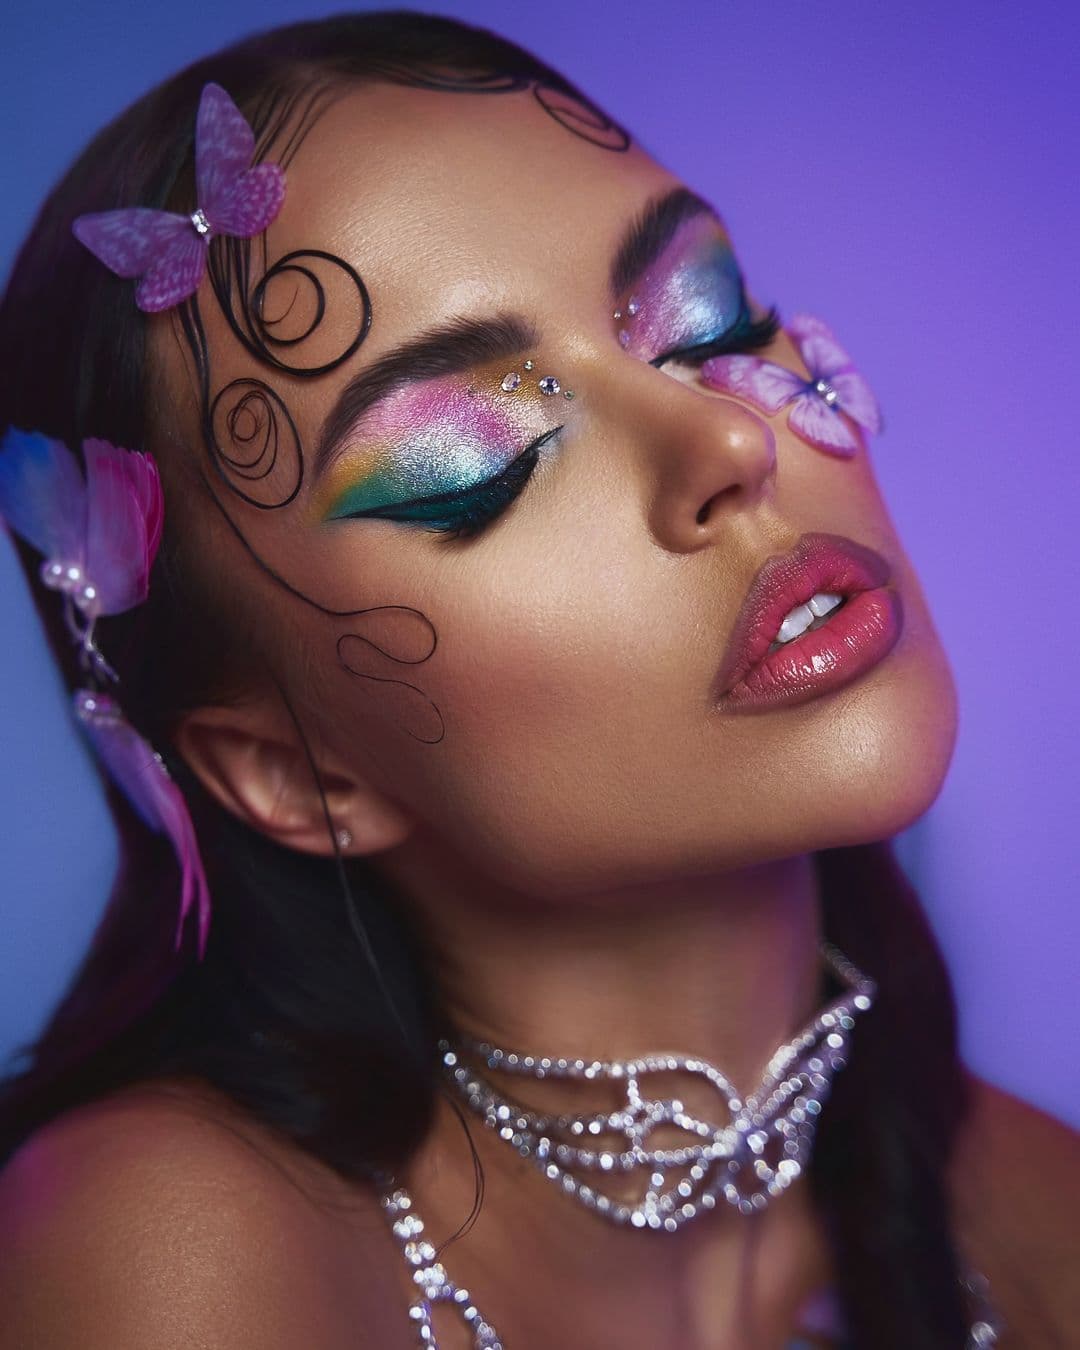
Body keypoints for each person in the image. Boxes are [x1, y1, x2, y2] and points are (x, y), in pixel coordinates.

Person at [0, 11, 1074, 1349]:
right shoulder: (165, 1256)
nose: (728, 432)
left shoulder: (1050, 1233)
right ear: (291, 769)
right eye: (483, 461)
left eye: (702, 316)